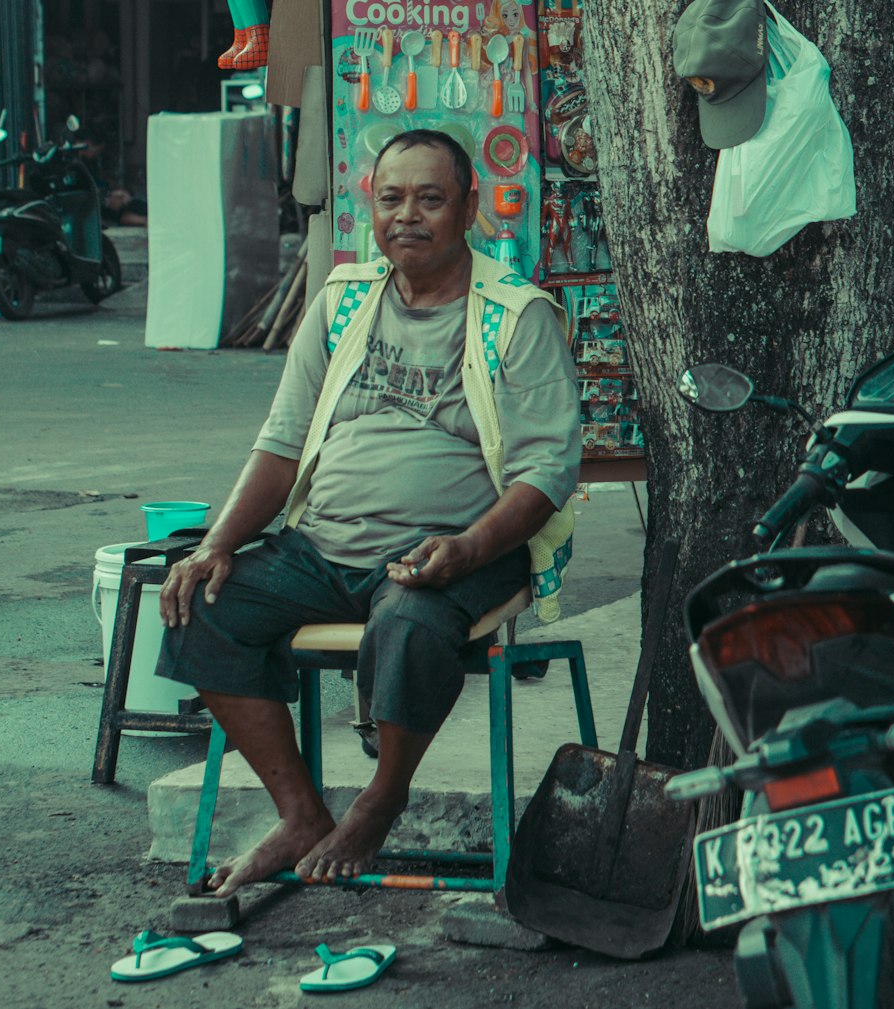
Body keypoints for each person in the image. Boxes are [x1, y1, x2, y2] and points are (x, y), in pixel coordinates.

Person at [157, 128, 581, 893]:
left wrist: (468, 546)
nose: (408, 215)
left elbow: (546, 472)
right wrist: (215, 542)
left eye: (430, 198)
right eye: (392, 197)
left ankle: (382, 798)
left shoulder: (518, 317)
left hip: (457, 552)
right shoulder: (343, 301)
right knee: (200, 603)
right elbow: (283, 442)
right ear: (370, 205)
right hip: (321, 548)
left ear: (470, 208)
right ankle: (300, 814)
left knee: (410, 622)